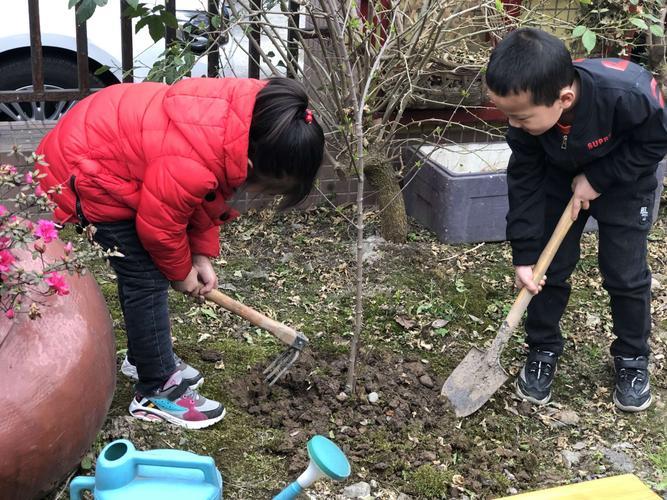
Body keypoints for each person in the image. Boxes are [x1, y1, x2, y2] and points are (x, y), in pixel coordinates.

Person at [36, 77, 324, 429]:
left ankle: (147, 357)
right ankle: (156, 388)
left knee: (144, 272)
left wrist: (200, 256)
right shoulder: (195, 159)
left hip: (113, 158)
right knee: (145, 276)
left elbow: (202, 202)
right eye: (266, 189)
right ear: (249, 168)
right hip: (90, 171)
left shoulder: (236, 126)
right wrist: (179, 273)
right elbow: (160, 229)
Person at [485, 28, 667, 412]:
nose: (513, 125)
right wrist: (524, 254)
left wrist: (599, 179)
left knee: (625, 272)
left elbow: (655, 142)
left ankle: (633, 357)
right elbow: (523, 180)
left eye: (520, 117)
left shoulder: (629, 93)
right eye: (508, 116)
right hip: (557, 176)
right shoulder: (526, 117)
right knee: (547, 271)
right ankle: (542, 348)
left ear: (564, 98)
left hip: (625, 183)